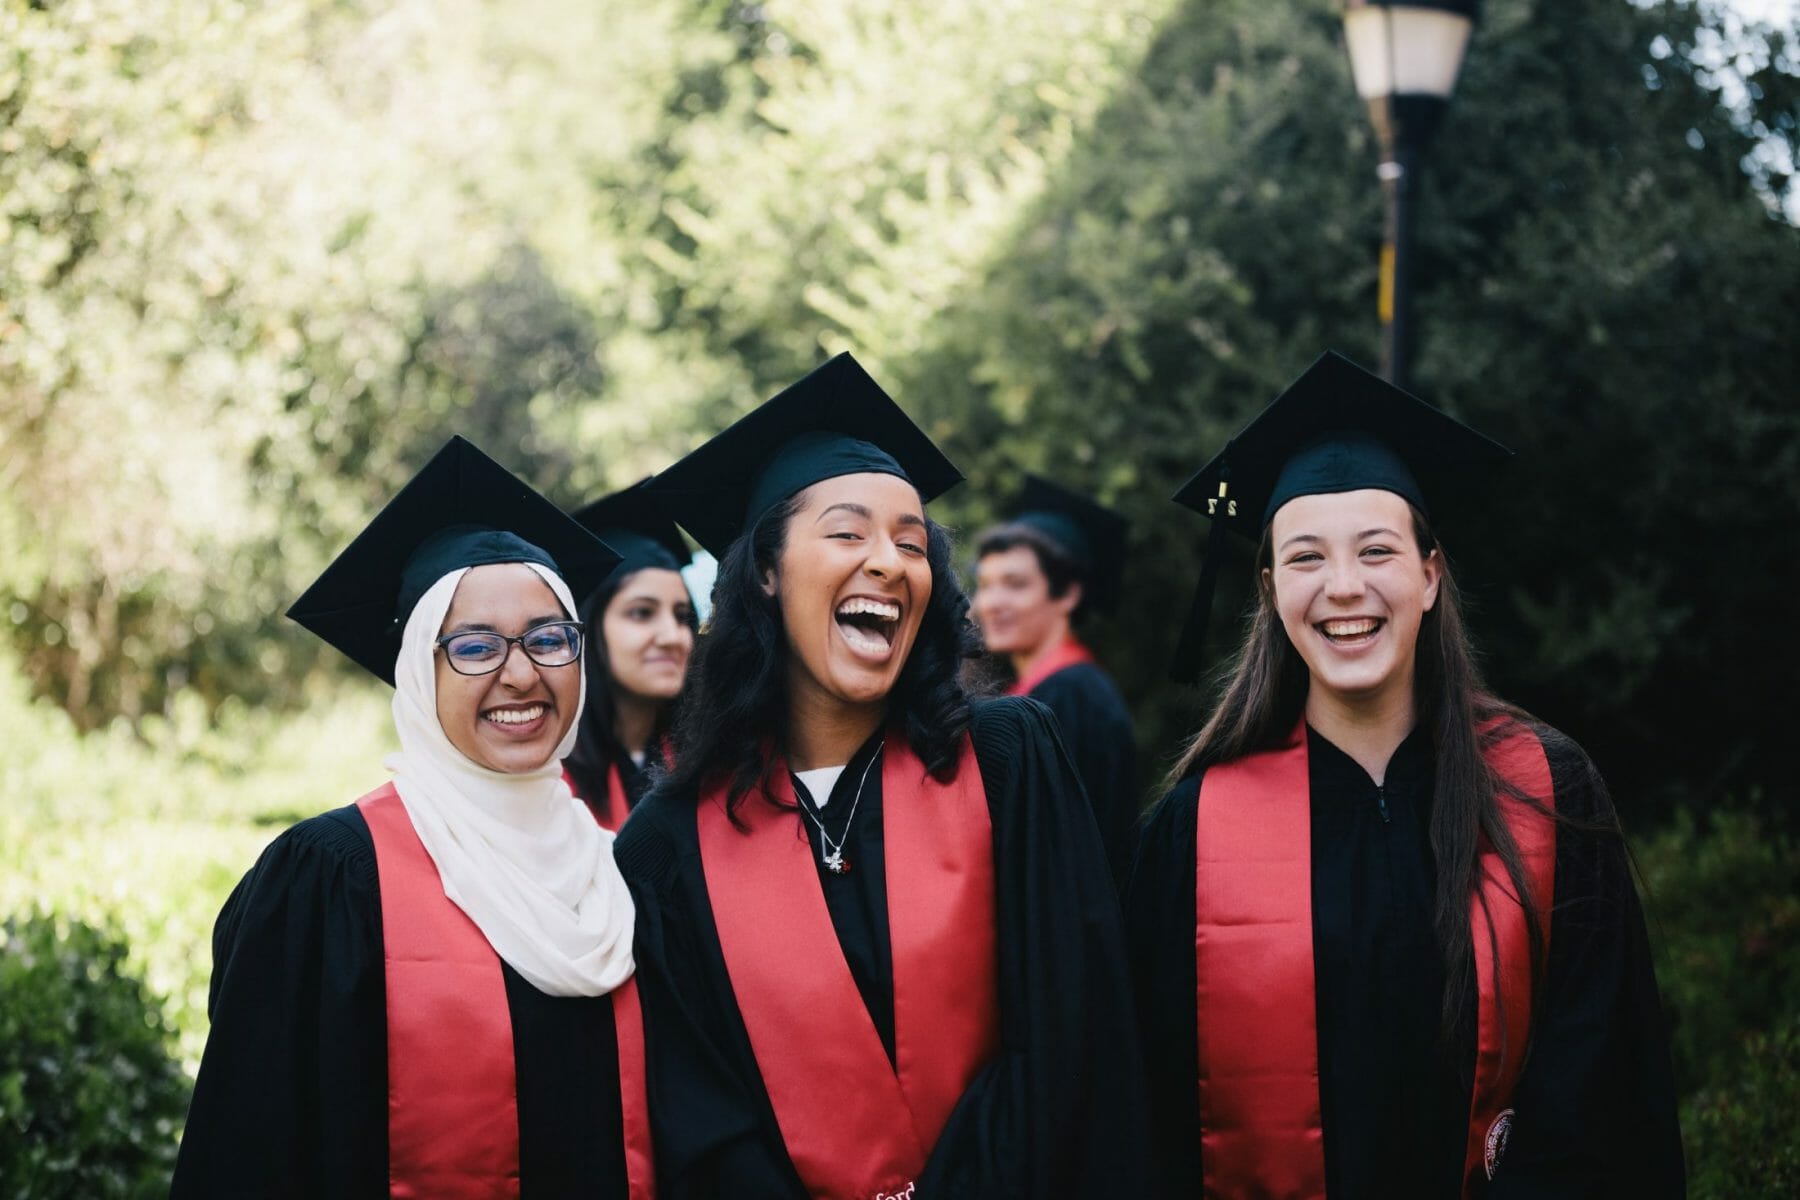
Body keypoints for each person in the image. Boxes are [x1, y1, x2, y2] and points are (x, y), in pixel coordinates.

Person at [1124, 352, 1684, 1198]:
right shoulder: (1195, 831)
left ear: (1429, 575)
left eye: (1377, 550)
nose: (1344, 587)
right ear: (1271, 589)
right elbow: (1154, 1130)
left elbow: (1606, 1095)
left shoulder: (1542, 790)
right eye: (1306, 558)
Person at [616, 353, 1151, 1199]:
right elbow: (698, 1121)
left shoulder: (1009, 763)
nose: (888, 561)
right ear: (763, 571)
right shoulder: (670, 846)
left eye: (912, 542)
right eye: (847, 532)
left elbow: (1071, 1037)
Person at [171, 437, 654, 1199]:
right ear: (416, 675)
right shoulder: (332, 877)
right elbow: (250, 1152)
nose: (521, 674)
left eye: (550, 638)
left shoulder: (621, 869)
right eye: (473, 647)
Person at [972, 474, 1139, 880]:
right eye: (985, 585)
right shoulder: (1040, 694)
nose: (991, 603)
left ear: (1068, 595)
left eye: (1014, 585)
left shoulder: (1073, 699)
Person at [565, 478, 697, 830]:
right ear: (588, 627)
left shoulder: (705, 763)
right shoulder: (553, 782)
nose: (673, 636)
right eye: (641, 612)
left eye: (683, 616)